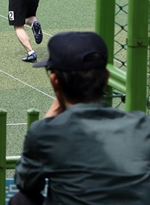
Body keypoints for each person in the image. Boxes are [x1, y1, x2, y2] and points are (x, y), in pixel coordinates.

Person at [10, 31, 150, 204]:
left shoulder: (45, 133)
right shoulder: (142, 125)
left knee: (21, 201)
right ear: (106, 78)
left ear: (55, 82)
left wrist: (49, 118)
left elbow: (25, 182)